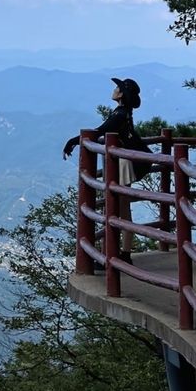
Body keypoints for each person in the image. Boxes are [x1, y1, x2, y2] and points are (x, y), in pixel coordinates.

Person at [62, 77, 142, 264]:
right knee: (122, 209)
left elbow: (99, 131)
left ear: (121, 93)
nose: (114, 90)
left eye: (117, 88)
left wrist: (73, 141)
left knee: (117, 209)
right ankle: (123, 252)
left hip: (120, 164)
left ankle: (119, 254)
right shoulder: (124, 112)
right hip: (123, 162)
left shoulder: (120, 114)